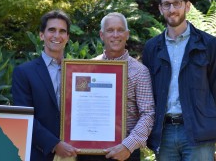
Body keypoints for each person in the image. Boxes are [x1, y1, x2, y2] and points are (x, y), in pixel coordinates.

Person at [142, 0, 216, 161]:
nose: (172, 9)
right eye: (167, 4)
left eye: (177, 3)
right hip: (164, 134)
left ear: (187, 6)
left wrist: (207, 125)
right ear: (160, 8)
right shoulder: (151, 48)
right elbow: (148, 94)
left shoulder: (208, 44)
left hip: (198, 133)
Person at [77, 12, 155, 161]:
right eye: (110, 30)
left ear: (127, 34)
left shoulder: (140, 72)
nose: (115, 34)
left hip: (125, 153)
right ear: (101, 35)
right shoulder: (87, 69)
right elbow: (79, 107)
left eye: (120, 30)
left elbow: (148, 114)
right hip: (89, 150)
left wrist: (127, 146)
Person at [12, 10, 79, 161]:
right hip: (39, 154)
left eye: (62, 31)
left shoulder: (79, 71)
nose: (57, 35)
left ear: (67, 37)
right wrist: (54, 144)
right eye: (51, 30)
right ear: (42, 35)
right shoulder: (24, 72)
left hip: (77, 152)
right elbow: (24, 117)